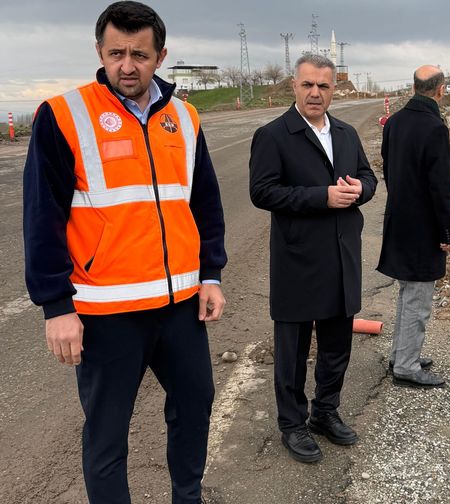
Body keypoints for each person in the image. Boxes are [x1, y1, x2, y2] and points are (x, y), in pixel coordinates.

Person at [22, 2, 227, 502]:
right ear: (99, 52)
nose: (127, 65)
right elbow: (41, 217)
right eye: (116, 53)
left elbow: (203, 201)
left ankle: (188, 496)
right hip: (106, 312)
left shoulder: (185, 116)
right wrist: (57, 307)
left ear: (160, 56)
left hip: (180, 305)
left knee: (195, 405)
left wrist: (211, 274)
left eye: (139, 53)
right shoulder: (64, 115)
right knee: (107, 433)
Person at [249, 54, 378, 464]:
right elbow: (263, 192)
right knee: (293, 351)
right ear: (295, 86)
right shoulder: (273, 135)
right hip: (298, 261)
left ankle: (325, 411)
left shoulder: (344, 132)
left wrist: (361, 188)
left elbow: (369, 178)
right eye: (308, 85)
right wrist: (321, 196)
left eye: (324, 86)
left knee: (337, 345)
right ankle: (292, 423)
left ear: (333, 89)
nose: (315, 93)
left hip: (342, 256)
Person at [377, 65, 450, 389]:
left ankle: (401, 354)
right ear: (440, 90)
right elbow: (441, 188)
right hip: (424, 227)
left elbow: (386, 169)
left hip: (399, 220)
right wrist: (447, 233)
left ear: (413, 87)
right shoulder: (434, 127)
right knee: (419, 298)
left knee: (407, 292)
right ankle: (407, 366)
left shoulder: (394, 123)